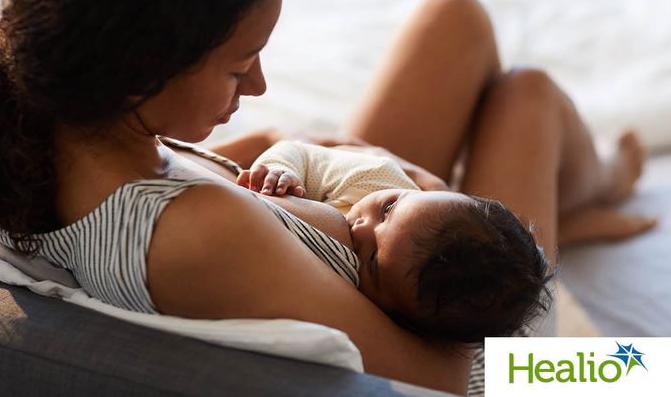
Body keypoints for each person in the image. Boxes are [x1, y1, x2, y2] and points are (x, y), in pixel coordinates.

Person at [0, 0, 656, 396]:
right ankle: (593, 191)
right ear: (141, 69)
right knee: (525, 97)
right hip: (483, 313)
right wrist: (449, 204)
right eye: (240, 69)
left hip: (367, 218)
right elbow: (451, 380)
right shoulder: (199, 235)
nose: (260, 84)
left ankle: (575, 202)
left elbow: (253, 159)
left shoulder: (60, 136)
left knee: (453, 14)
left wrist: (309, 161)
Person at [236, 140, 553, 345]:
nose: (360, 228)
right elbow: (301, 152)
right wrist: (283, 169)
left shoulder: (393, 318)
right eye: (387, 209)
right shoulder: (378, 178)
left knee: (527, 85)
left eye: (372, 259)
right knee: (527, 85)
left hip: (508, 356)